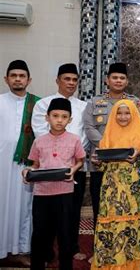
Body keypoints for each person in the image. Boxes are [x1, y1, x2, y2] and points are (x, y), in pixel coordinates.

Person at [31, 62, 89, 261]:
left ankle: (71, 248)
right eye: (67, 79)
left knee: (71, 213)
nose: (71, 83)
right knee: (45, 218)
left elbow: (85, 137)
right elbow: (40, 134)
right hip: (48, 170)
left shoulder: (83, 106)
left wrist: (73, 158)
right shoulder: (43, 104)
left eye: (74, 79)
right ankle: (46, 252)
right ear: (57, 80)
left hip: (75, 168)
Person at [22, 98, 85, 270]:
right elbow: (34, 165)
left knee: (65, 234)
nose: (59, 120)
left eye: (64, 117)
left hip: (65, 193)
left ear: (70, 120)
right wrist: (27, 172)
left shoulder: (74, 140)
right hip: (42, 194)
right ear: (47, 118)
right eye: (55, 116)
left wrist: (74, 169)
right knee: (40, 234)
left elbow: (80, 160)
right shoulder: (39, 141)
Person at [83, 62, 140, 228]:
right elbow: (89, 127)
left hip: (127, 163)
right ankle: (101, 249)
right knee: (100, 206)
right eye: (115, 77)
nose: (118, 80)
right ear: (107, 80)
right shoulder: (95, 102)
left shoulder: (134, 102)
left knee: (127, 207)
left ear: (127, 81)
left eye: (122, 78)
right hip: (101, 162)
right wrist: (107, 145)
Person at [90, 99, 140, 270]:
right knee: (110, 225)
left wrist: (139, 155)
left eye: (127, 112)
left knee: (131, 225)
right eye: (119, 113)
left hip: (132, 187)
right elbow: (101, 164)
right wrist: (96, 161)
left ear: (134, 114)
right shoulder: (108, 134)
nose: (123, 117)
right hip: (111, 188)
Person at [0, 60, 39, 266]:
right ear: (6, 79)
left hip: (26, 165)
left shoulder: (37, 104)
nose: (17, 79)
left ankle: (21, 250)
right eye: (13, 75)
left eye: (21, 75)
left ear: (28, 80)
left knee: (25, 207)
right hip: (1, 166)